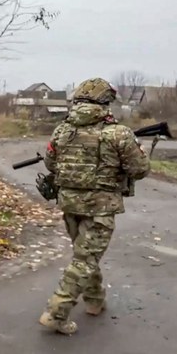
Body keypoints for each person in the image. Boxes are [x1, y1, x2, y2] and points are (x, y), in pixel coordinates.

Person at [37, 78, 150, 334]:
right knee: (85, 259)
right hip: (100, 207)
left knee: (86, 256)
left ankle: (95, 300)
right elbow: (140, 169)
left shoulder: (62, 130)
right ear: (105, 103)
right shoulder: (118, 133)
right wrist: (140, 151)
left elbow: (51, 164)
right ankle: (56, 313)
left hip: (69, 205)